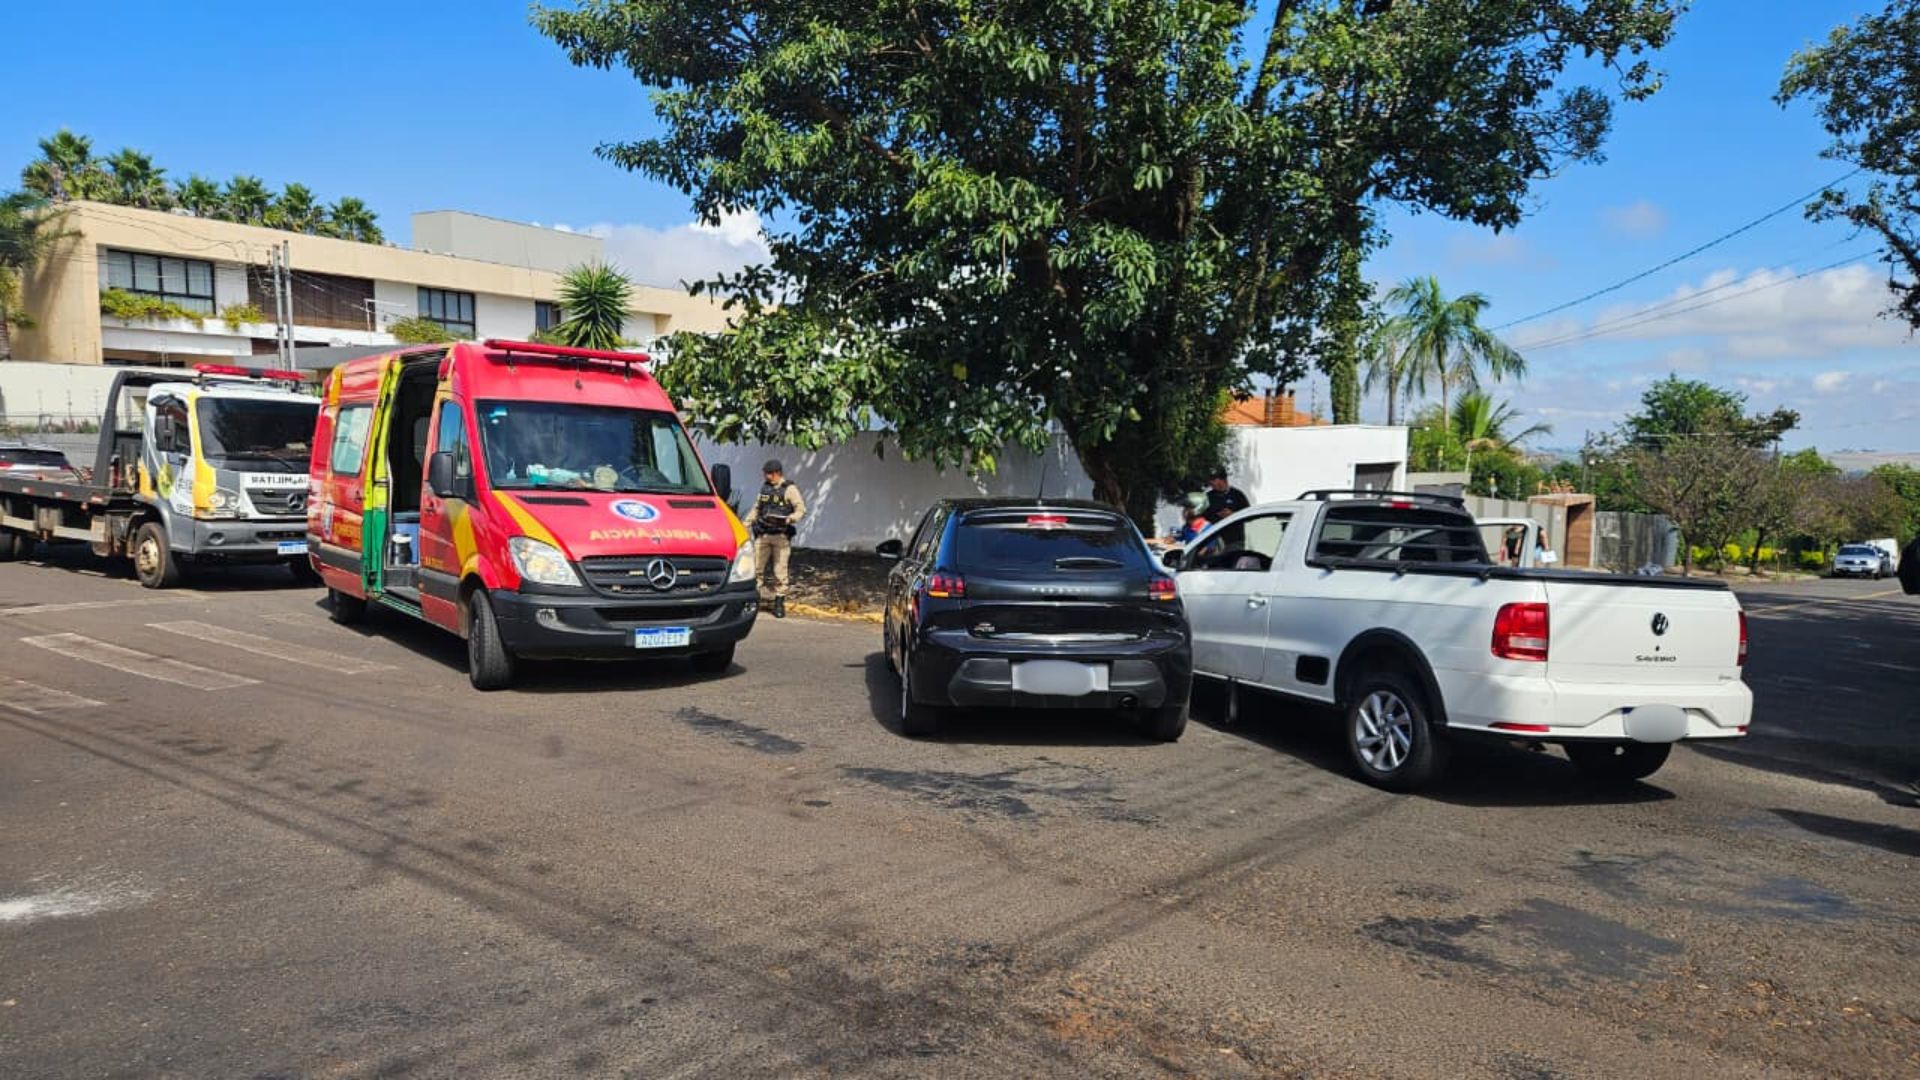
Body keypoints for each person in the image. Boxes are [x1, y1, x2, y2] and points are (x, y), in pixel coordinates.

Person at [743, 459, 806, 618]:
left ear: (777, 473)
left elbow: (801, 509)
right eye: (765, 474)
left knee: (780, 571)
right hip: (763, 534)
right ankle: (753, 601)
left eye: (769, 474)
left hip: (780, 536)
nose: (766, 476)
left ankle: (779, 602)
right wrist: (745, 524)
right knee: (756, 569)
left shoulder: (789, 489)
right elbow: (757, 508)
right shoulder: (765, 488)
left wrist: (790, 519)